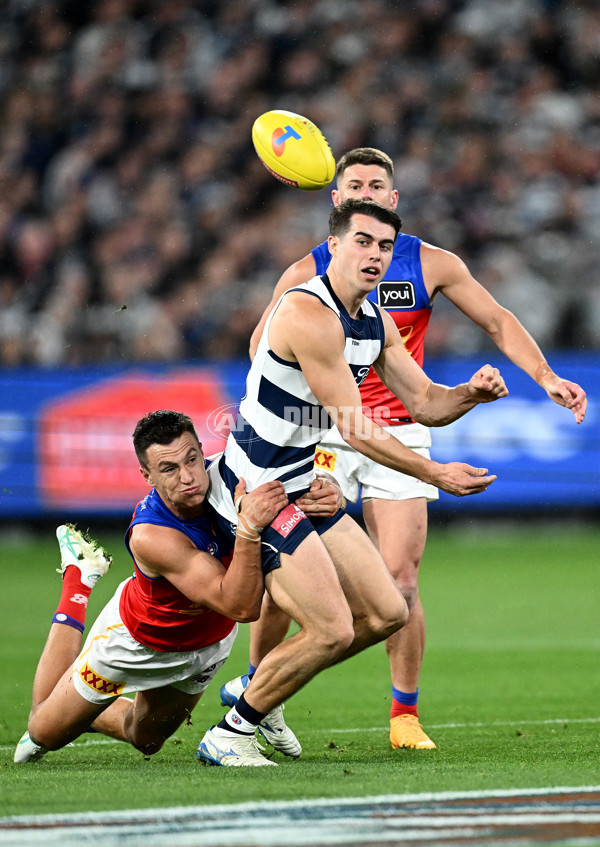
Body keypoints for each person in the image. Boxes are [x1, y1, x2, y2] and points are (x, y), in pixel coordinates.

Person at [219, 148, 588, 752]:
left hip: (399, 426)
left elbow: (490, 327)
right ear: (336, 203)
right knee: (287, 582)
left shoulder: (422, 269)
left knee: (400, 585)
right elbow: (266, 348)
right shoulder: (306, 284)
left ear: (394, 200)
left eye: (377, 186)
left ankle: (402, 715)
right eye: (353, 185)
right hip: (330, 435)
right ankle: (263, 698)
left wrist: (519, 382)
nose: (366, 197)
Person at [197, 197, 508, 767]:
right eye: (362, 241)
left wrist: (469, 393)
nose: (375, 255)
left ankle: (256, 693)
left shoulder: (375, 322)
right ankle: (233, 731)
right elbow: (354, 425)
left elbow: (424, 403)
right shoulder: (307, 314)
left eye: (385, 246)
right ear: (333, 246)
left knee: (389, 612)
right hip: (255, 492)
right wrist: (436, 472)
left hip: (303, 488)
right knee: (334, 629)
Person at [14, 410, 296, 764]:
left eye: (192, 459)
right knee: (42, 731)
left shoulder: (227, 476)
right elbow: (242, 607)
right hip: (138, 642)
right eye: (169, 469)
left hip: (208, 641)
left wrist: (322, 497)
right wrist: (250, 527)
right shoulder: (151, 535)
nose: (188, 477)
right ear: (146, 475)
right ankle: (79, 579)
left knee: (145, 739)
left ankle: (78, 707)